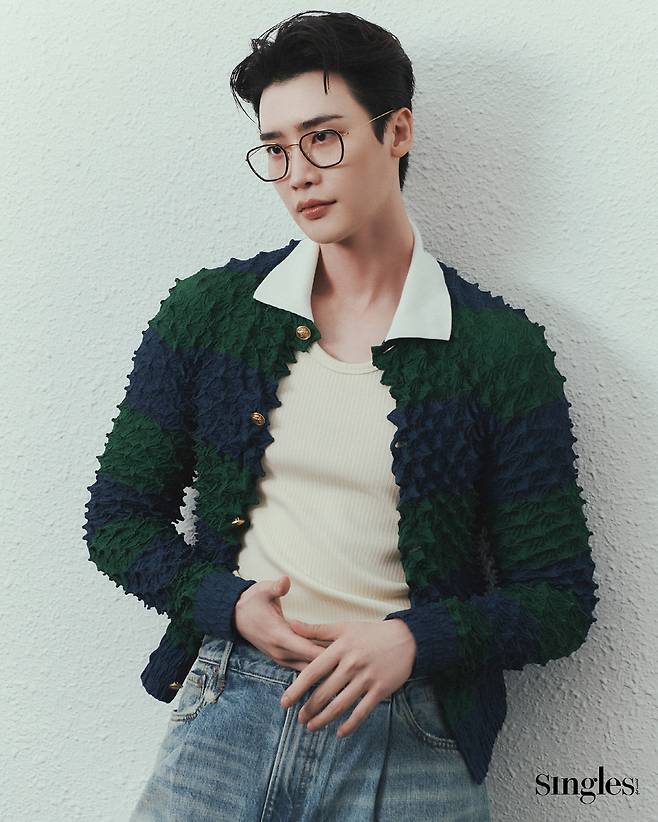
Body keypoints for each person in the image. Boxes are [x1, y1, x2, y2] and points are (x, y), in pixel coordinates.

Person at [83, 10, 598, 821]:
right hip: (228, 706)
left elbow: (558, 598)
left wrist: (415, 640)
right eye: (277, 149)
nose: (298, 174)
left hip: (413, 733)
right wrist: (226, 603)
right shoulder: (209, 314)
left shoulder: (496, 350)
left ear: (397, 132)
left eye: (323, 138)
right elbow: (118, 519)